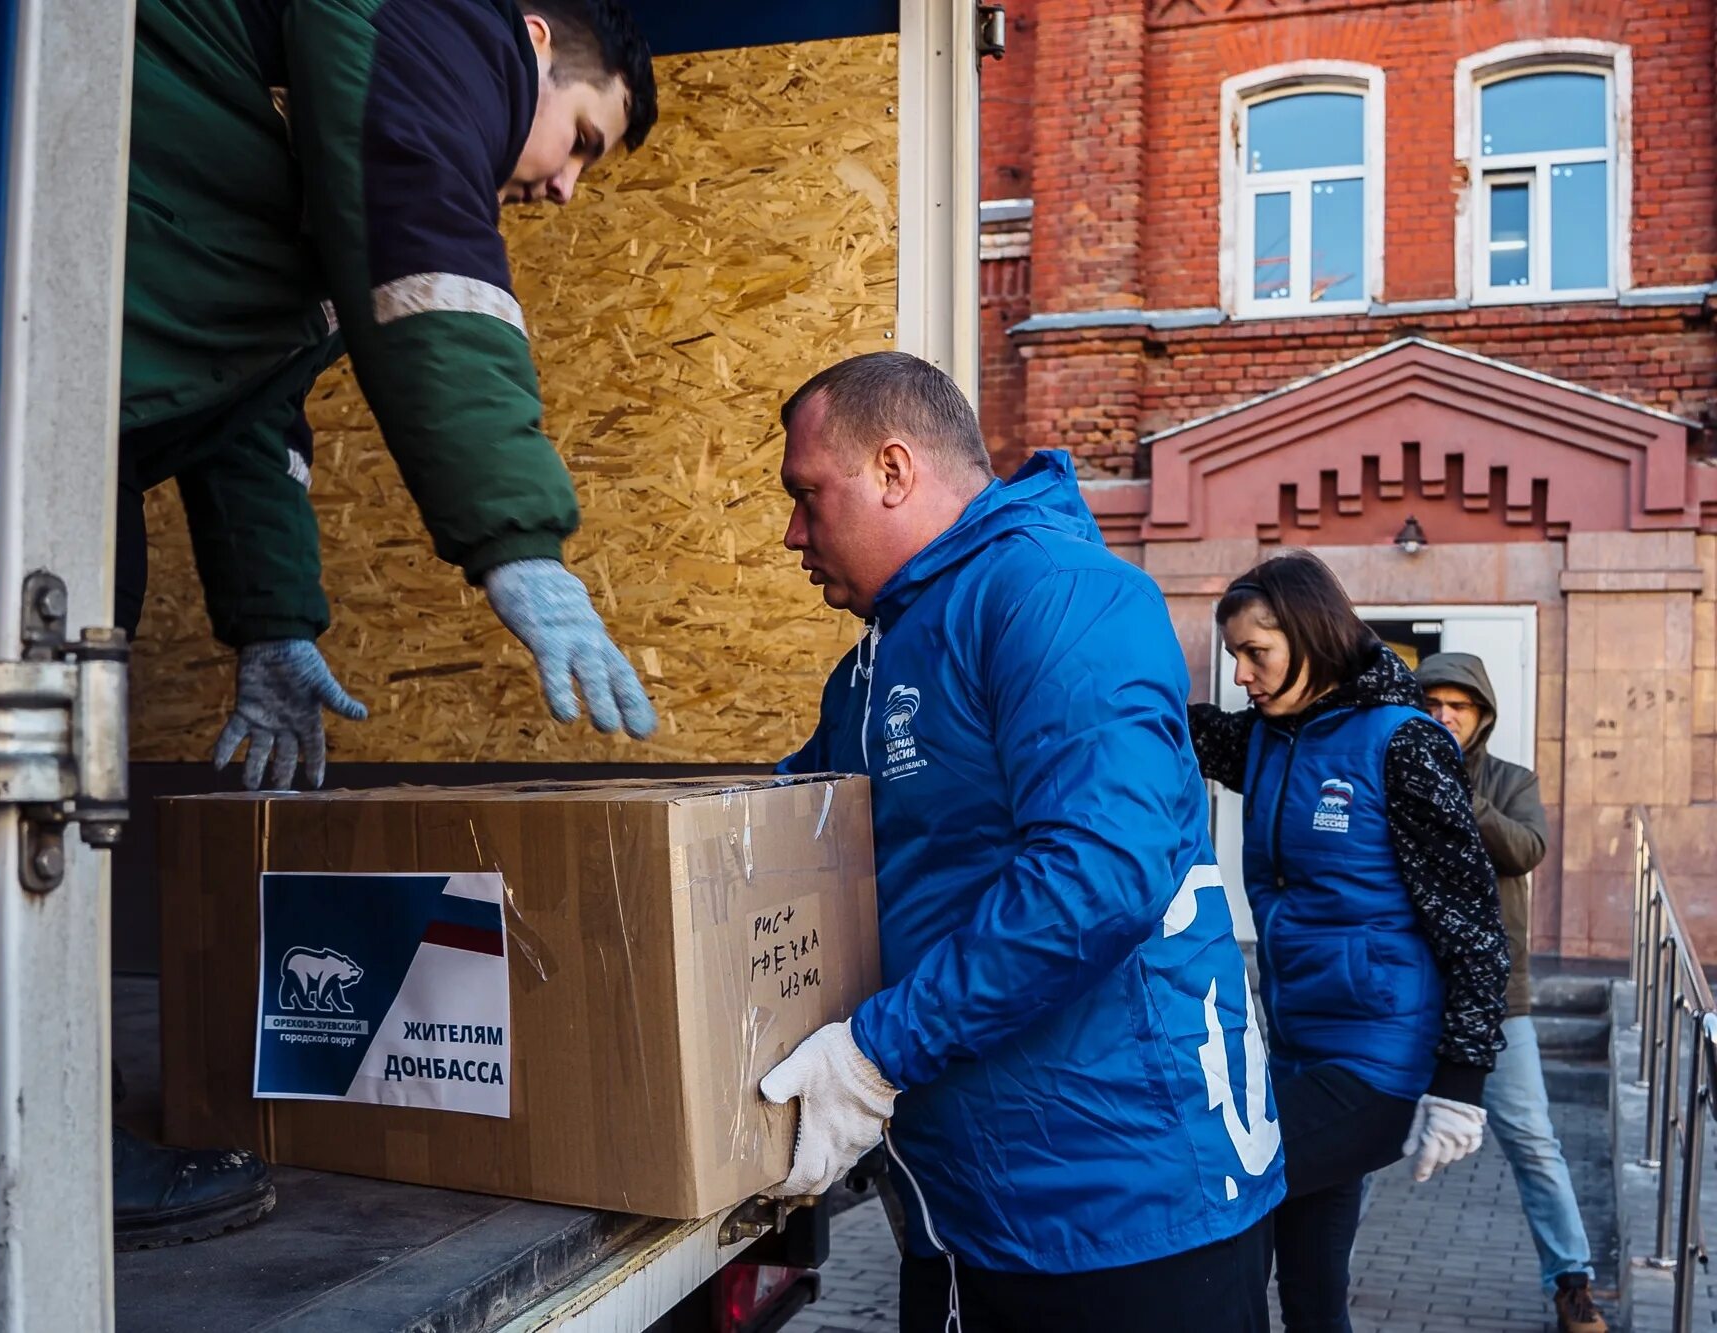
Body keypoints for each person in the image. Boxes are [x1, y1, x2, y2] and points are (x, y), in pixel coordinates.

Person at [109, 0, 659, 1246]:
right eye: (581, 138)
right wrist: (517, 542)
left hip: (53, 430)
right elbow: (435, 267)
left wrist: (272, 623)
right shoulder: (443, 22)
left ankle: (23, 1102)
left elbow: (244, 406)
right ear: (529, 40)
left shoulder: (308, 182)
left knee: (89, 614)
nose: (567, 187)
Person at [759, 353, 1284, 1332]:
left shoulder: (1058, 597)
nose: (790, 532)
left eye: (804, 495)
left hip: (1119, 1209)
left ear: (891, 470)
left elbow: (1100, 872)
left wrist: (874, 1054)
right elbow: (796, 817)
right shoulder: (874, 665)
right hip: (971, 1201)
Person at [1189, 553, 1511, 1333]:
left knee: (1224, 1189)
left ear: (1309, 635)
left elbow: (1471, 918)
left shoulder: (1402, 743)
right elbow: (1180, 729)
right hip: (1296, 1048)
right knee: (1312, 1289)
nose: (1241, 674)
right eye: (1233, 654)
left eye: (1255, 652)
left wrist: (1461, 1085)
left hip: (1377, 1060)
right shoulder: (1267, 738)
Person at [1417, 653, 1606, 1333]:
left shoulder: (1510, 780)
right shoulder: (1393, 776)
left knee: (1532, 1139)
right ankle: (1320, 1289)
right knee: (1363, 1135)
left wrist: (1460, 794)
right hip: (1406, 991)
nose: (1443, 716)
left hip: (1497, 998)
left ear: (1481, 715)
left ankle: (1571, 1281)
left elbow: (1525, 848)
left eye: (1457, 706)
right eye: (1432, 703)